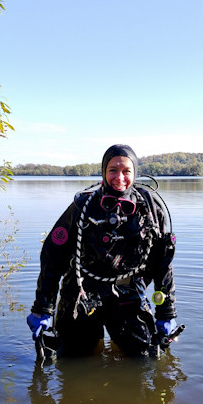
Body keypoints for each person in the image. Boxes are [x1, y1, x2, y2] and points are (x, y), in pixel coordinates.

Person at [27, 144, 179, 357]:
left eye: (126, 171)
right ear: (103, 172)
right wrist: (43, 308)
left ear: (134, 173)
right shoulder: (83, 207)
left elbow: (163, 263)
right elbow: (53, 255)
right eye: (113, 170)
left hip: (128, 296)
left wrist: (166, 311)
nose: (119, 177)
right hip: (81, 294)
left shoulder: (151, 211)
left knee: (145, 358)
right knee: (72, 360)